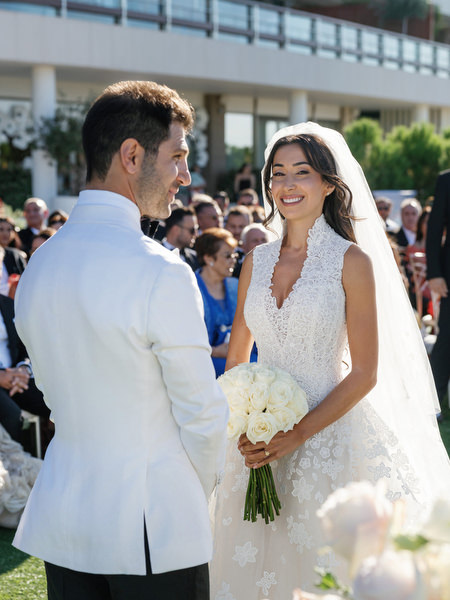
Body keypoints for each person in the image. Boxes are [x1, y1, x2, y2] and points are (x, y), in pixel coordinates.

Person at [210, 123, 450, 598]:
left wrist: (297, 433)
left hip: (332, 438)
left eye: (302, 172)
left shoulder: (351, 262)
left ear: (328, 184)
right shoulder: (254, 261)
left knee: (326, 571)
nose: (288, 184)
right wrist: (247, 427)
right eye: (278, 173)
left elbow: (365, 372)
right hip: (257, 444)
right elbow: (237, 357)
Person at [13, 80, 228, 600]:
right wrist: (191, 493)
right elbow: (202, 416)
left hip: (65, 518)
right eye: (177, 156)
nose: (186, 175)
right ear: (132, 155)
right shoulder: (161, 272)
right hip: (152, 525)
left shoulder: (39, 264)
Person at [426, 169, 450, 413]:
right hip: (448, 277)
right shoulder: (446, 180)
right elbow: (434, 230)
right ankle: (433, 405)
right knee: (447, 340)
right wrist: (434, 273)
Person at [161, 206, 199, 271]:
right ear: (176, 230)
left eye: (197, 230)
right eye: (192, 230)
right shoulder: (154, 253)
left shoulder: (195, 259)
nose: (196, 234)